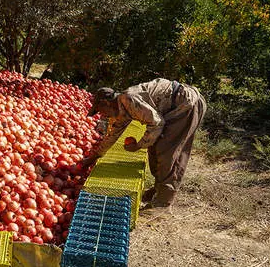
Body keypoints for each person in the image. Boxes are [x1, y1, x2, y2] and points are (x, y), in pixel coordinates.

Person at [82, 78, 207, 210]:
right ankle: (158, 189)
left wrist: (138, 145)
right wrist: (94, 157)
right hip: (175, 108)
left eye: (101, 111)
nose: (103, 115)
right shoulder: (121, 110)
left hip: (186, 105)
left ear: (106, 103)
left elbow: (157, 123)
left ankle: (163, 202)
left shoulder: (129, 99)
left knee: (166, 152)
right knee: (153, 147)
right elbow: (112, 136)